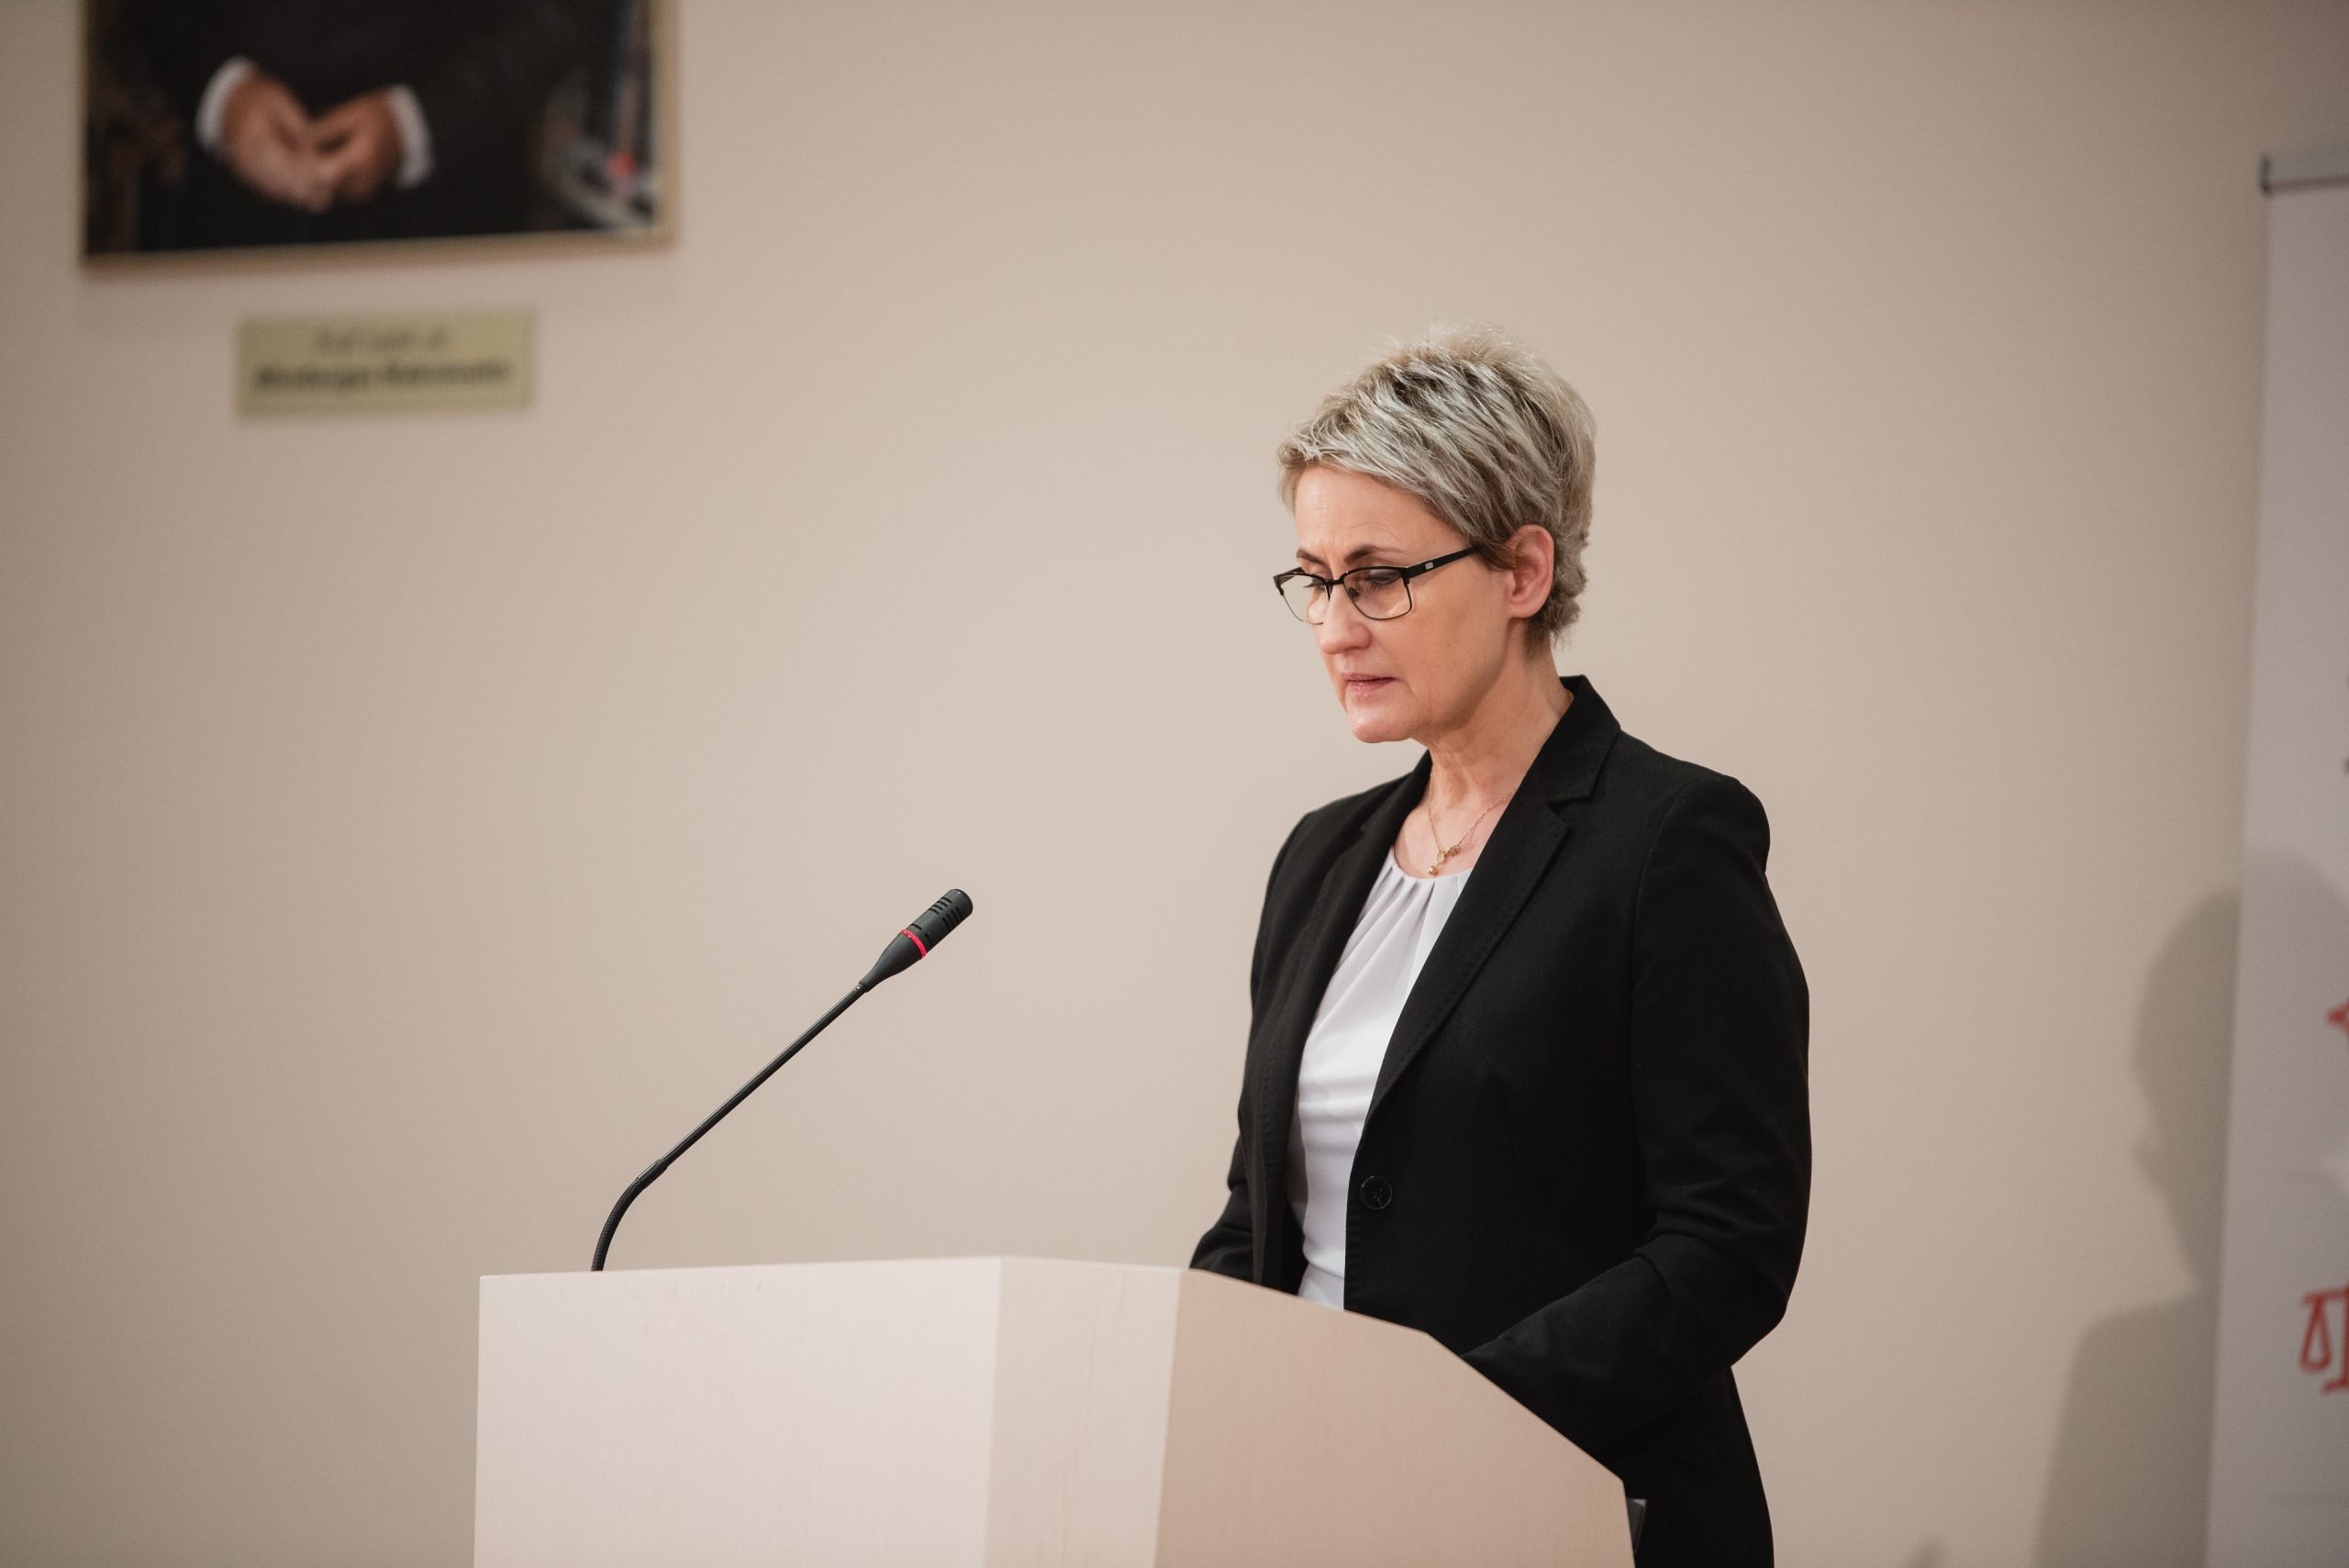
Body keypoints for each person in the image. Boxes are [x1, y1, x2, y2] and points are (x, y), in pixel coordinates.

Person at [1190, 328, 1810, 1567]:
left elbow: (1728, 1240)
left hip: (1564, 1505)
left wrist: (1452, 1417)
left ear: (1523, 569)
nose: (1335, 625)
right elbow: (1261, 1215)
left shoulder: (1668, 840)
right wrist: (1186, 1387)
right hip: (1319, 1507)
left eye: (1379, 577)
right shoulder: (1321, 857)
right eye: (1314, 578)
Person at [126, 0, 600, 249]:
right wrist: (224, 94)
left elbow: (565, 11)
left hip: (449, 218)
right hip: (226, 225)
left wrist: (419, 123)